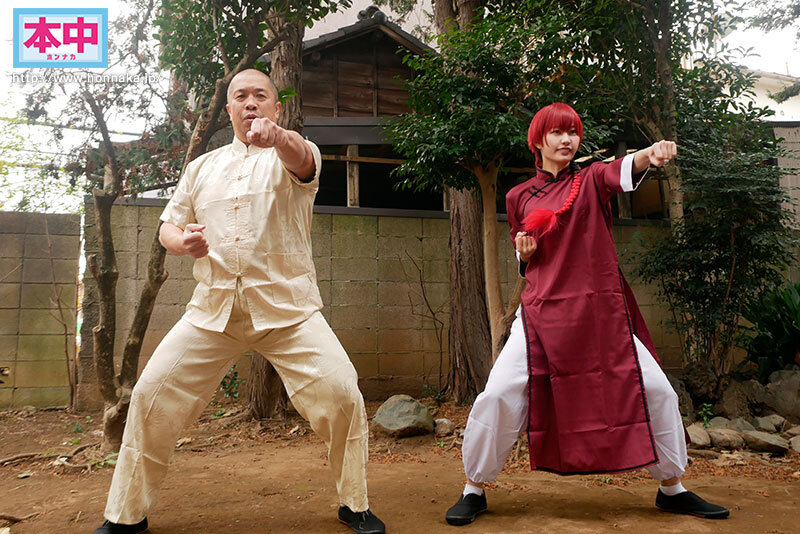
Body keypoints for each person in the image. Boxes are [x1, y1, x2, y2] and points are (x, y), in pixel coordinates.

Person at [92, 69, 385, 534]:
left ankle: (354, 503)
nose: (251, 103)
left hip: (288, 310)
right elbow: (169, 225)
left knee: (342, 393)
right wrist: (181, 242)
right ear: (228, 108)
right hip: (212, 310)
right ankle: (126, 516)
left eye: (260, 96)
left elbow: (302, 160)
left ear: (276, 107)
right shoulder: (200, 168)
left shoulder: (293, 152)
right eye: (241, 96)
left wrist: (279, 138)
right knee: (150, 395)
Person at [445, 102, 729, 526]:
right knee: (499, 392)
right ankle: (474, 488)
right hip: (542, 311)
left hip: (601, 313)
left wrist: (649, 154)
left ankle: (672, 488)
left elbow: (620, 169)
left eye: (573, 132)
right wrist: (525, 255)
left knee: (658, 391)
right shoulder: (518, 196)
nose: (567, 140)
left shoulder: (592, 179)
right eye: (557, 133)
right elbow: (524, 260)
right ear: (538, 140)